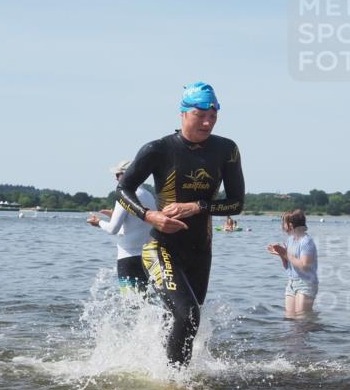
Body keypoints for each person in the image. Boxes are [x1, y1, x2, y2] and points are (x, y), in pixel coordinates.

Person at [117, 82, 245, 366]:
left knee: (181, 318)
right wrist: (149, 215)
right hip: (161, 247)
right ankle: (176, 383)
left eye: (213, 115)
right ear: (183, 113)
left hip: (200, 252)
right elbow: (122, 189)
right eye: (200, 115)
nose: (207, 122)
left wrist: (198, 206)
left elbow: (236, 203)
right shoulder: (158, 149)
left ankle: (157, 369)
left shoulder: (226, 150)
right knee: (187, 315)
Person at [88, 160, 155, 292]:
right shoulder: (149, 195)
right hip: (148, 257)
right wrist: (114, 216)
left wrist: (98, 222)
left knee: (130, 300)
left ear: (126, 175)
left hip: (128, 257)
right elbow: (137, 225)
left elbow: (113, 229)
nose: (115, 178)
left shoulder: (124, 195)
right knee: (145, 299)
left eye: (117, 174)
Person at [267, 208, 318, 318]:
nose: (282, 226)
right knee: (290, 319)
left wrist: (285, 253)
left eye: (283, 223)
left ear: (290, 225)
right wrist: (281, 254)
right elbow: (288, 266)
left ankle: (314, 326)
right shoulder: (290, 240)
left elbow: (304, 266)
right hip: (291, 283)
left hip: (306, 283)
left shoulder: (306, 241)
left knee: (302, 320)